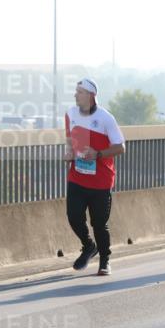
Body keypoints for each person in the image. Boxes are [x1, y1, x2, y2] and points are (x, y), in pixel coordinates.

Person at [64, 78, 125, 276]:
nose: (75, 95)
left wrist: (98, 154)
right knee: (74, 217)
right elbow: (69, 140)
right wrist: (69, 153)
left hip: (100, 181)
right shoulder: (70, 114)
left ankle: (105, 260)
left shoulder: (106, 118)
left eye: (79, 92)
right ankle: (89, 246)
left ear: (91, 95)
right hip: (77, 178)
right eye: (75, 91)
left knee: (99, 224)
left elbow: (120, 147)